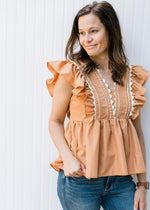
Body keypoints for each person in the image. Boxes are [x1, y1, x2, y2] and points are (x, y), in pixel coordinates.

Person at [46, 1, 150, 210]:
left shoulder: (132, 77)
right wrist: (68, 158)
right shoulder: (72, 72)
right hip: (80, 180)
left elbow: (137, 134)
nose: (87, 39)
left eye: (93, 31)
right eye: (82, 33)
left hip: (121, 181)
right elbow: (55, 121)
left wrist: (141, 184)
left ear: (111, 31)